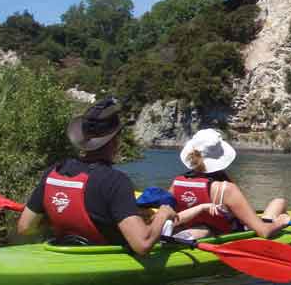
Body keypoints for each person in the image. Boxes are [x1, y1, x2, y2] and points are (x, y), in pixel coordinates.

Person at [16, 97, 175, 255]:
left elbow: (25, 227)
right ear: (114, 141)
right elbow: (143, 244)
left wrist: (62, 216)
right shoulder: (116, 181)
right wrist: (162, 214)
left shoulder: (53, 172)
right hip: (104, 258)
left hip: (64, 252)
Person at [169, 128, 291, 240]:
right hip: (229, 233)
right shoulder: (226, 189)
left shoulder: (176, 183)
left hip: (193, 230)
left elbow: (171, 218)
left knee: (279, 202)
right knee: (279, 202)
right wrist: (281, 222)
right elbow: (264, 232)